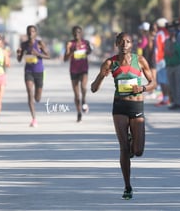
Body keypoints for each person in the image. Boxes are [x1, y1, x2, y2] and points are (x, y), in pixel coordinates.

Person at [91, 32, 156, 200]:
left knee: (138, 151)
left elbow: (153, 83)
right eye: (121, 42)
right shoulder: (110, 63)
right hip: (119, 106)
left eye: (128, 41)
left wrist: (142, 89)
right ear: (116, 44)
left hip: (136, 105)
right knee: (124, 149)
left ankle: (133, 140)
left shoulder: (140, 60)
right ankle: (127, 186)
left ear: (132, 44)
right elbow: (93, 88)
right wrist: (100, 77)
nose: (124, 44)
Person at [16, 25, 50, 127]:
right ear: (27, 33)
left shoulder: (39, 43)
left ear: (36, 33)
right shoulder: (24, 44)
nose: (31, 33)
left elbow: (48, 56)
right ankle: (34, 118)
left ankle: (37, 98)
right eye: (29, 31)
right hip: (28, 71)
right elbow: (19, 59)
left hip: (39, 72)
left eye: (33, 31)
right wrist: (18, 54)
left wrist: (38, 54)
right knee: (30, 93)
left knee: (37, 98)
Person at [63, 25, 92, 122]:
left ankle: (84, 100)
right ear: (72, 34)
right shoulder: (70, 44)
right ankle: (79, 112)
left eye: (78, 32)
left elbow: (89, 51)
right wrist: (71, 52)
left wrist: (88, 51)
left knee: (83, 87)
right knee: (76, 95)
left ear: (81, 33)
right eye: (75, 33)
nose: (76, 34)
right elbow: (65, 59)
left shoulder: (86, 42)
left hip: (83, 69)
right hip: (74, 70)